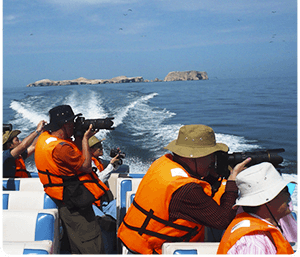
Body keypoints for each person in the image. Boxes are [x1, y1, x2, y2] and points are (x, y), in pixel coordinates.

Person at [117, 124, 251, 254]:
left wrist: (213, 177)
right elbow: (222, 220)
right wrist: (232, 183)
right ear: (194, 157)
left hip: (136, 242)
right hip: (154, 250)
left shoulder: (163, 164)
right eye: (210, 155)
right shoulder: (186, 190)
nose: (213, 160)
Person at [35, 105, 109, 254]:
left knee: (75, 243)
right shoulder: (61, 148)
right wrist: (86, 138)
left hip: (62, 198)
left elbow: (71, 153)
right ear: (64, 124)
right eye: (71, 123)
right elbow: (87, 166)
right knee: (91, 242)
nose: (73, 126)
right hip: (75, 202)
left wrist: (79, 136)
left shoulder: (46, 138)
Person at [217, 162, 296, 254]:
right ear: (268, 200)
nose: (288, 195)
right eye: (284, 191)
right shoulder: (254, 242)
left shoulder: (255, 232)